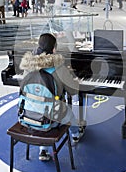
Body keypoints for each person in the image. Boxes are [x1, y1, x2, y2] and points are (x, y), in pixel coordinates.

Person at [19, 33, 85, 161]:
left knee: (41, 106)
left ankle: (43, 150)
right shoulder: (58, 68)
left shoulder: (28, 66)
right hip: (51, 120)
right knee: (68, 114)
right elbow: (73, 91)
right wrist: (75, 81)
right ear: (54, 49)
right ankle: (76, 135)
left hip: (27, 116)